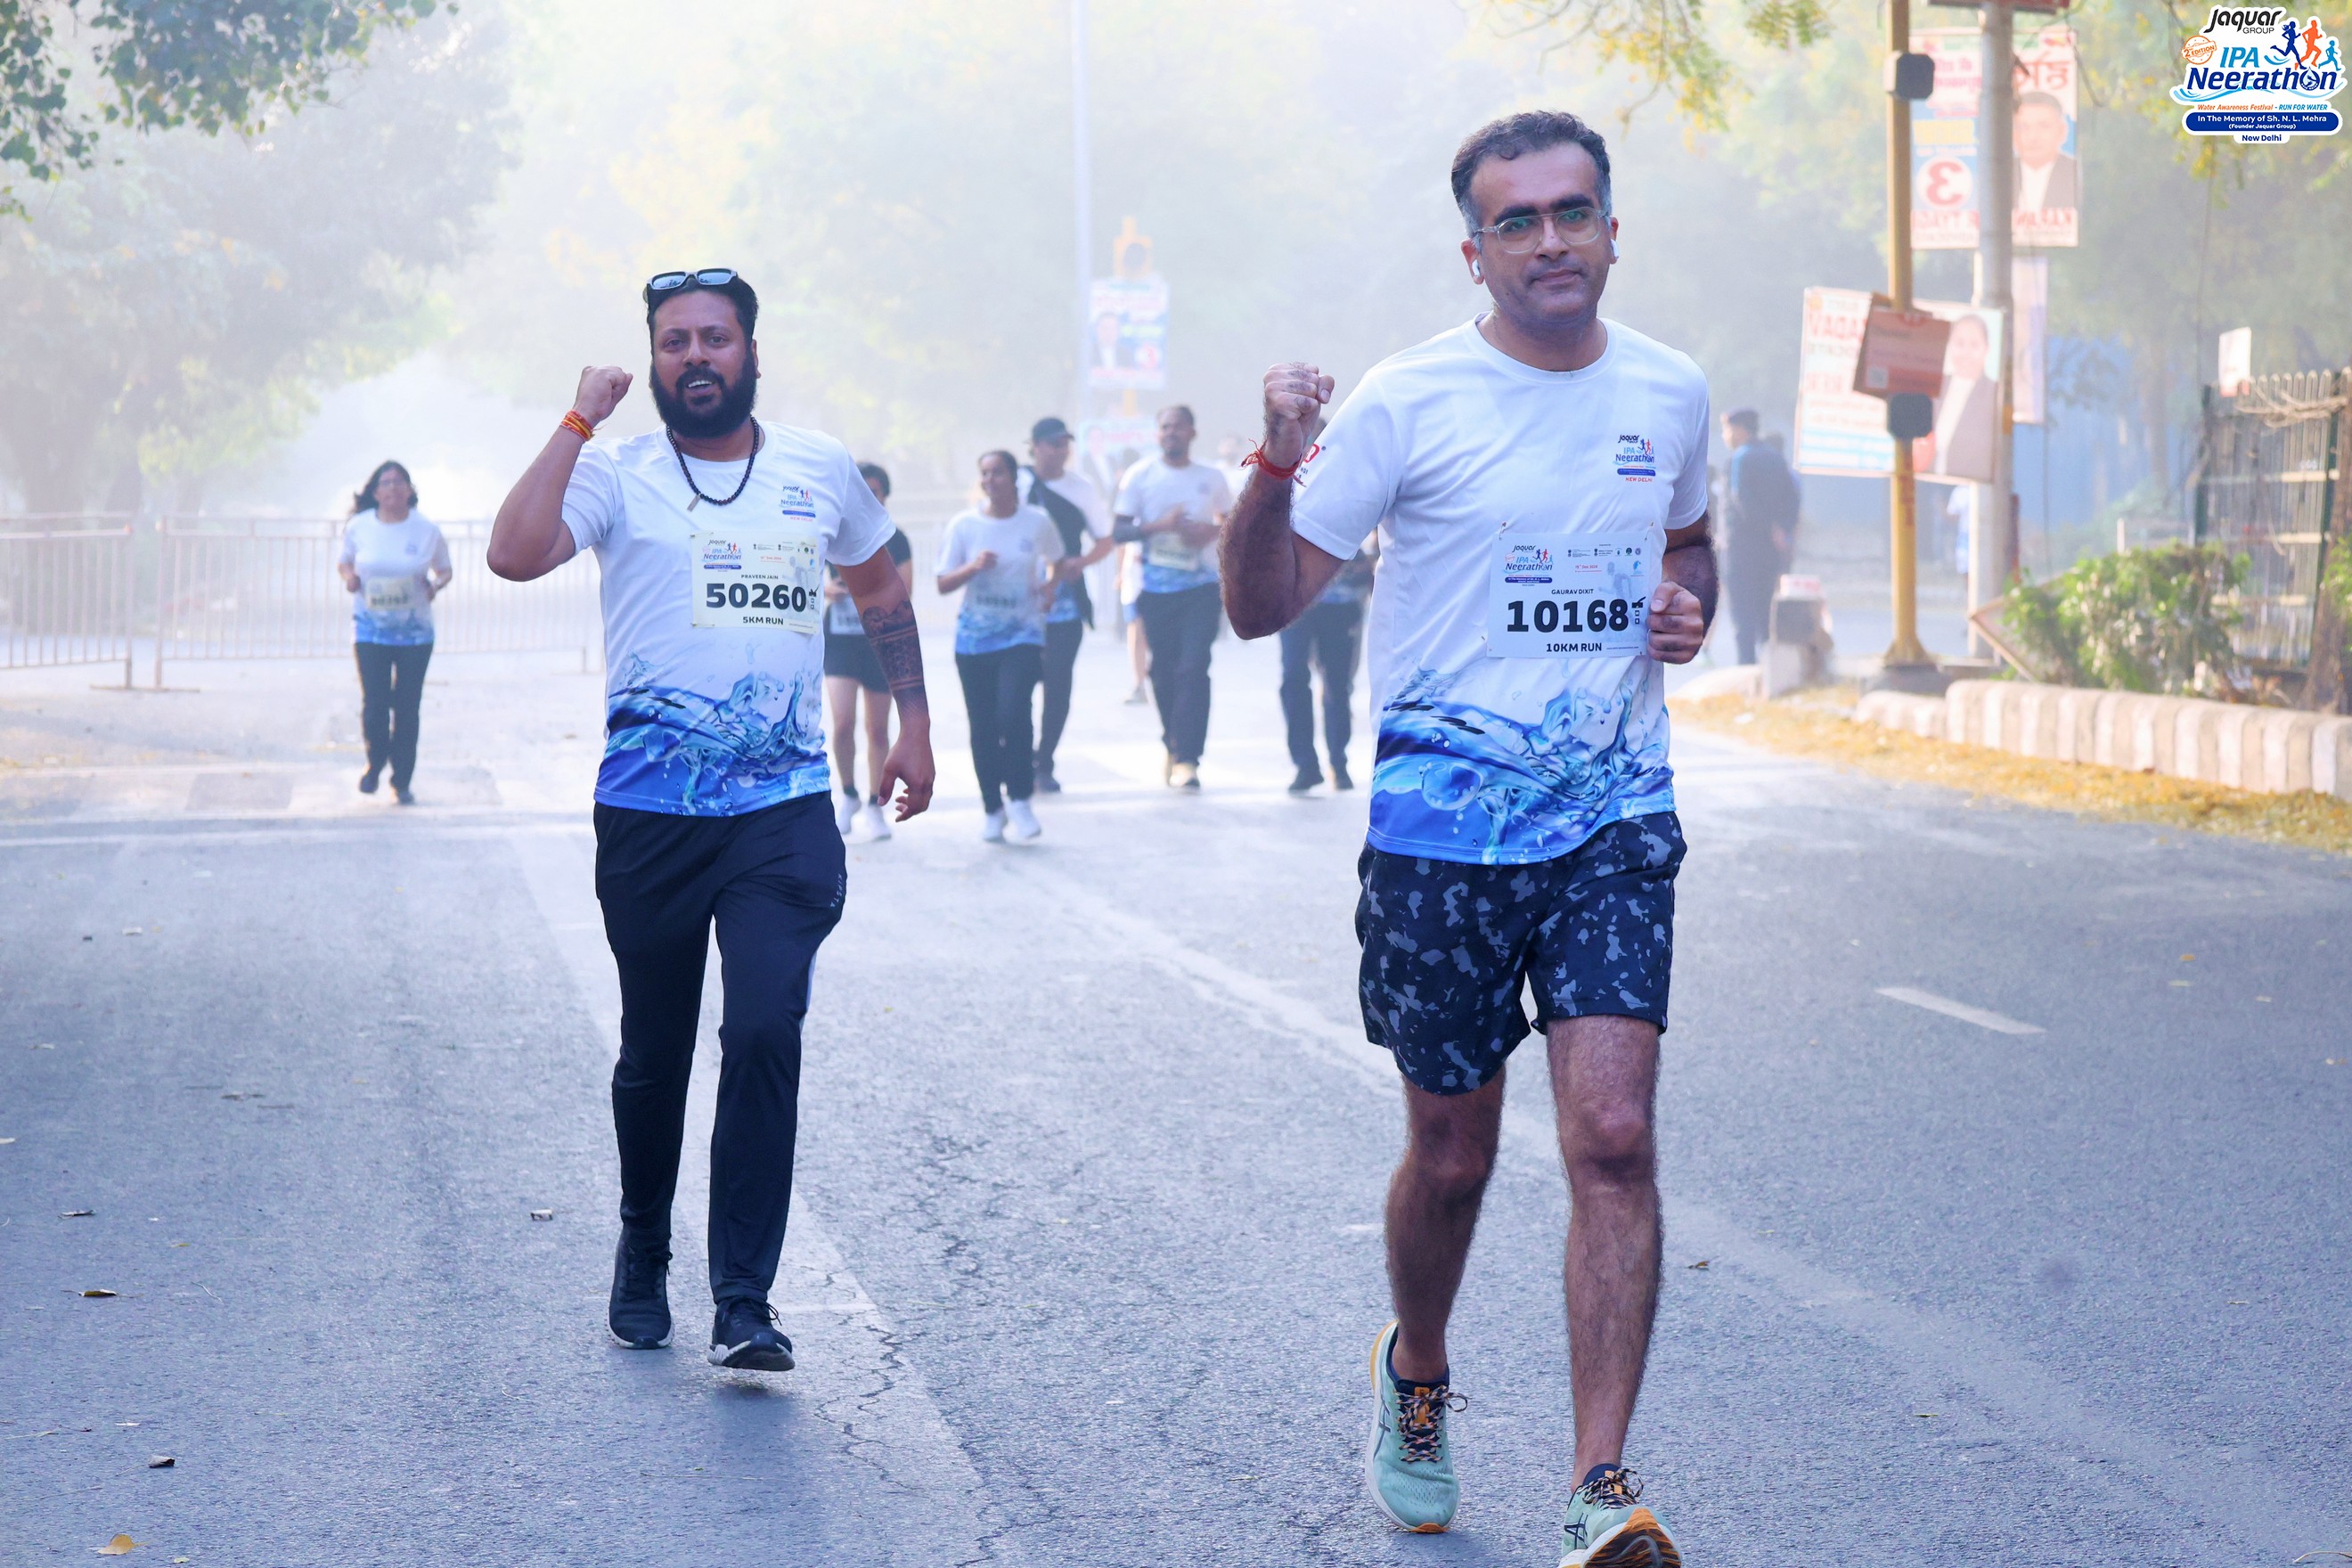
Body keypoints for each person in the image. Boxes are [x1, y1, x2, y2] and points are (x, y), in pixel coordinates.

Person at [1223, 110, 1713, 1568]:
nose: (1551, 240)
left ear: (1613, 230)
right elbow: (1259, 606)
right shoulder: (1408, 401)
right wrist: (1275, 465)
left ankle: (1599, 1484)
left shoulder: (1672, 390)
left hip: (1613, 816)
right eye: (1519, 221)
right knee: (1451, 1157)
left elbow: (1687, 544)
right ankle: (1419, 1367)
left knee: (1613, 1139)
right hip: (1443, 838)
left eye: (1574, 212)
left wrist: (1688, 605)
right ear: (1475, 250)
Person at [485, 267, 935, 1373]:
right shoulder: (616, 471)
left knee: (766, 1029)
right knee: (655, 1051)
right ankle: (644, 1241)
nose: (696, 356)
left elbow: (881, 589)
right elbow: (513, 553)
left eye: (715, 338)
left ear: (752, 354)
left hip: (782, 811)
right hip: (651, 812)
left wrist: (915, 723)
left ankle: (745, 1296)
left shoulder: (817, 467)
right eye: (675, 340)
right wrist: (577, 418)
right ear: (654, 360)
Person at [936, 450, 1058, 843]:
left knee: (1014, 712)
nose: (991, 480)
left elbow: (1058, 560)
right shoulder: (964, 525)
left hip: (1022, 635)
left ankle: (1020, 798)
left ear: (1014, 477)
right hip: (974, 641)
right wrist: (972, 567)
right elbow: (942, 582)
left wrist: (1050, 588)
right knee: (984, 725)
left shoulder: (1036, 521)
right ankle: (993, 807)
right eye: (985, 473)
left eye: (999, 472)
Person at [1112, 405, 1232, 789]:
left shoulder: (1211, 477)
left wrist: (1209, 533)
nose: (1171, 433)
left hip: (1201, 589)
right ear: (1157, 433)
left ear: (1192, 432)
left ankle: (1189, 759)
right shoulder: (1140, 475)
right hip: (1156, 591)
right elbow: (1119, 531)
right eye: (1165, 427)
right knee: (1162, 671)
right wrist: (1160, 526)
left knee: (1194, 668)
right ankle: (1172, 743)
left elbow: (1231, 522)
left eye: (1178, 427)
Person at [336, 461, 452, 805]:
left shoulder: (426, 530)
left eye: (399, 482)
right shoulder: (359, 527)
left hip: (415, 633)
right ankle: (375, 763)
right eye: (385, 483)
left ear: (410, 490)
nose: (392, 489)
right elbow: (344, 562)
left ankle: (402, 780)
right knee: (375, 704)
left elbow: (445, 570)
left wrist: (434, 586)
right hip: (370, 629)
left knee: (406, 707)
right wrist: (350, 578)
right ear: (375, 492)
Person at [822, 461, 917, 839]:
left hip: (880, 643)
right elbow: (802, 573)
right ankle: (848, 795)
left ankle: (877, 805)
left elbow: (905, 590)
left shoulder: (896, 538)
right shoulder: (832, 530)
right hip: (840, 640)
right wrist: (826, 590)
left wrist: (870, 593)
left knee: (877, 729)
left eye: (874, 492)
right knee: (842, 722)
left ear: (884, 496)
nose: (867, 498)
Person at [1021, 417, 1115, 793]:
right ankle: (1019, 757)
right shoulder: (1017, 483)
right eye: (1052, 443)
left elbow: (1105, 539)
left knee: (1058, 684)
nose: (1060, 451)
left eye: (1065, 444)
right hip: (1020, 602)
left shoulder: (1081, 489)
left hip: (1065, 603)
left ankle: (1045, 761)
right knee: (1018, 683)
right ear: (1034, 446)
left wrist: (1082, 562)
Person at [1279, 543, 1376, 795]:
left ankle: (1338, 761)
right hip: (1293, 599)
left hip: (1341, 600)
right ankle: (1305, 765)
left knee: (1337, 684)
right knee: (1293, 676)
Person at [1720, 409, 1799, 666]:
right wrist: (1781, 530)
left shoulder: (1740, 458)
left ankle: (1747, 667)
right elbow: (1792, 498)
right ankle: (1768, 668)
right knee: (1766, 611)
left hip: (1742, 548)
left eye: (1727, 429)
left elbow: (1741, 499)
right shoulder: (1776, 458)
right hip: (1771, 548)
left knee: (1743, 615)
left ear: (1739, 430)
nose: (1725, 436)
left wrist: (1767, 527)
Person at [1917, 312, 1996, 483]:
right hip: (1924, 484)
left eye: (1974, 345)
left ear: (1986, 349)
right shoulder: (1933, 386)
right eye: (1959, 343)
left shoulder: (1994, 394)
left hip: (1971, 489)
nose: (1966, 352)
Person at [2012, 91, 2078, 214]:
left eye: (2043, 126)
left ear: (2062, 131)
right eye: (2023, 127)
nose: (2033, 137)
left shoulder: (2076, 172)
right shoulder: (1997, 174)